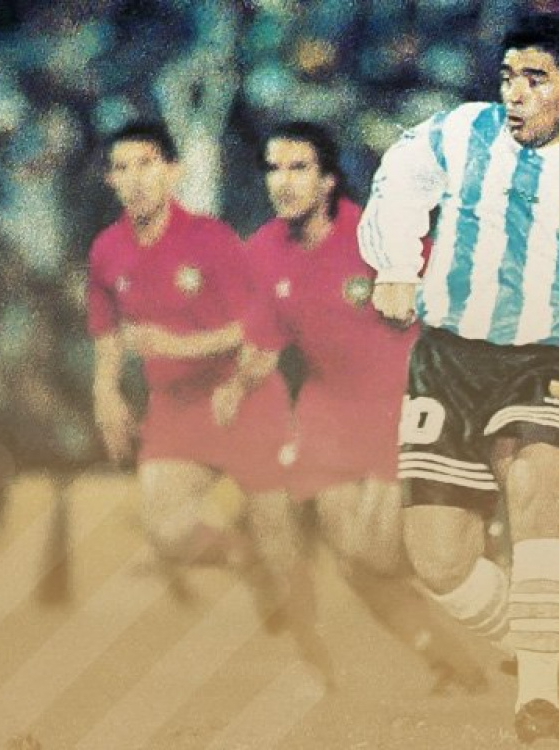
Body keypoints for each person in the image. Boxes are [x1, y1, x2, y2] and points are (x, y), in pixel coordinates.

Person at [123, 120, 485, 692]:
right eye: (273, 168)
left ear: (328, 181)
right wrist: (234, 384)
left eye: (298, 168)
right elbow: (261, 343)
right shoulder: (263, 251)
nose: (282, 181)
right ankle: (447, 659)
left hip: (407, 402)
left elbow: (457, 295)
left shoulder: (379, 232)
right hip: (330, 412)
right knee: (352, 558)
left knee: (379, 551)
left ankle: (480, 550)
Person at [358, 13, 559, 742]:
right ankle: (543, 649)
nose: (515, 93)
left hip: (544, 359)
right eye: (508, 77)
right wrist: (395, 264)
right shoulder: (463, 131)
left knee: (536, 485)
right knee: (440, 562)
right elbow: (400, 176)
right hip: (446, 361)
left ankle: (540, 696)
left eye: (535, 78)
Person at [87, 120, 292, 572]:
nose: (135, 179)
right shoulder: (106, 250)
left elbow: (258, 325)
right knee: (167, 533)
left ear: (173, 171)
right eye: (122, 168)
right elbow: (106, 330)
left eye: (146, 164)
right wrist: (105, 390)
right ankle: (242, 554)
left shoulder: (210, 239)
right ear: (110, 179)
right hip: (175, 409)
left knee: (280, 544)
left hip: (242, 398)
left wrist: (180, 346)